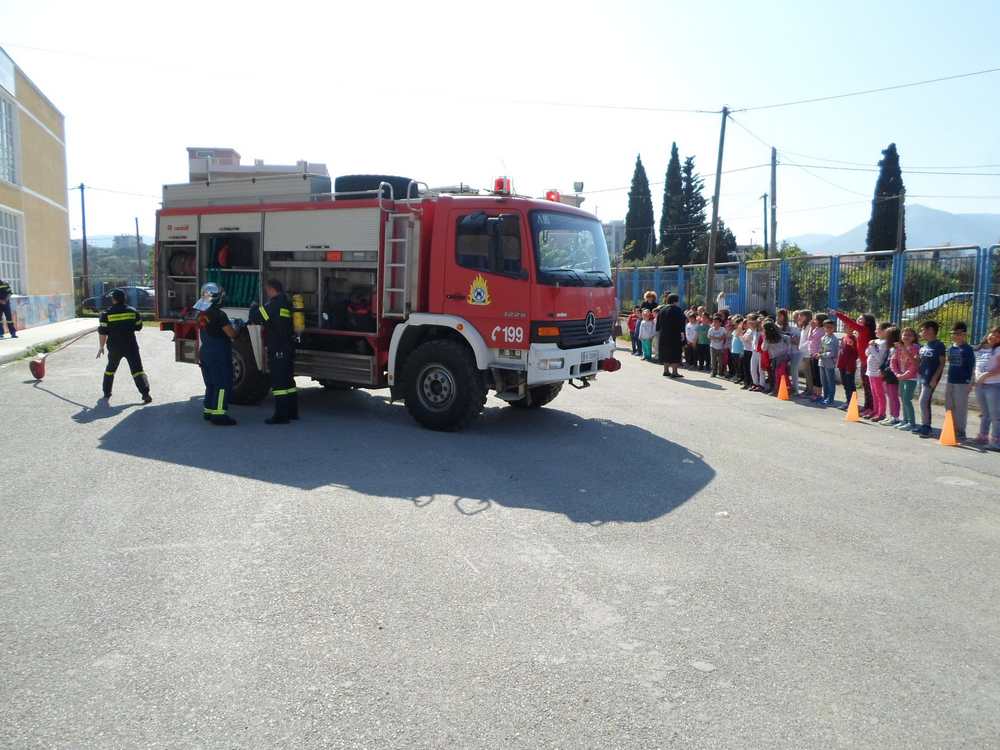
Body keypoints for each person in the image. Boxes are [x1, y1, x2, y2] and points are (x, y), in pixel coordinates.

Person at [251, 278, 299, 425]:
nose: (266, 293)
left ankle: (281, 416)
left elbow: (258, 317)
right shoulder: (286, 302)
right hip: (288, 347)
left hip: (278, 348)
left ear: (272, 290)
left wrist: (254, 307)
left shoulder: (274, 304)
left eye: (267, 290)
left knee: (279, 384)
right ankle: (292, 412)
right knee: (288, 381)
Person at [194, 282, 240, 426]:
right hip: (218, 352)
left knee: (211, 384)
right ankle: (219, 415)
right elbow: (231, 333)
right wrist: (237, 327)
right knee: (223, 384)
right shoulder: (219, 314)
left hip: (205, 351)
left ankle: (208, 411)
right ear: (217, 298)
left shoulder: (200, 313)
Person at [97, 288, 151, 403]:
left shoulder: (106, 314)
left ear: (113, 299)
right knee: (137, 370)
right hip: (131, 346)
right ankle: (145, 394)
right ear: (124, 298)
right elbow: (139, 326)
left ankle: (106, 393)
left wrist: (101, 347)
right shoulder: (132, 312)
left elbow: (102, 332)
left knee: (110, 369)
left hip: (114, 347)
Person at [833, 310, 876, 416]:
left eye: (862, 318)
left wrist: (837, 314)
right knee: (866, 386)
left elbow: (850, 323)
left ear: (867, 322)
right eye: (859, 318)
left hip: (867, 363)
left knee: (869, 387)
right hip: (863, 362)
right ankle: (867, 407)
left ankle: (871, 408)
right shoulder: (860, 332)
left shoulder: (864, 330)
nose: (859, 319)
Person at [915, 320, 946, 437]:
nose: (921, 332)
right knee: (923, 402)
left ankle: (927, 427)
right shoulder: (924, 345)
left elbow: (942, 363)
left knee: (923, 401)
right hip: (922, 376)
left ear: (931, 330)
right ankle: (924, 425)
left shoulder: (939, 345)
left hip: (931, 377)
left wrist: (935, 378)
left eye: (923, 330)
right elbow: (919, 361)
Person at [945, 321, 975, 441]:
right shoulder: (951, 348)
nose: (955, 336)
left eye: (958, 333)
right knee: (949, 405)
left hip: (963, 382)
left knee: (960, 407)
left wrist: (970, 383)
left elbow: (971, 367)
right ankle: (950, 428)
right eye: (953, 333)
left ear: (964, 334)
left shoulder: (968, 349)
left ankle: (961, 431)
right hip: (950, 380)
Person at [973, 327, 1000, 450]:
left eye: (997, 336)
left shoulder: (998, 350)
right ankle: (983, 436)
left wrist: (985, 375)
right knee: (985, 414)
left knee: (995, 415)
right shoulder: (980, 349)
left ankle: (995, 441)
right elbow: (976, 366)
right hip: (980, 385)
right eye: (992, 334)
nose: (993, 337)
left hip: (993, 385)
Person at [891, 327, 920, 430]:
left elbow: (914, 365)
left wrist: (904, 375)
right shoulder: (899, 348)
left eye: (909, 335)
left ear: (913, 337)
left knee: (907, 399)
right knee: (903, 399)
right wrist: (897, 374)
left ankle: (911, 423)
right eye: (904, 334)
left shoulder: (915, 348)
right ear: (901, 336)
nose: (906, 337)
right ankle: (905, 420)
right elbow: (893, 362)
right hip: (901, 377)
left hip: (911, 378)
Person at [656, 293, 687, 378]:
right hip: (674, 335)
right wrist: (683, 336)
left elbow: (657, 325)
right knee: (675, 353)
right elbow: (682, 324)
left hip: (663, 335)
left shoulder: (661, 310)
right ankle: (674, 372)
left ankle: (666, 370)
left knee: (665, 352)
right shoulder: (678, 310)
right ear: (675, 301)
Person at [879, 326, 902, 426]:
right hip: (887, 375)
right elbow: (885, 360)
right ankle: (891, 415)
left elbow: (894, 363)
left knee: (893, 396)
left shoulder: (896, 348)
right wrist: (881, 369)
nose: (885, 337)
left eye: (887, 335)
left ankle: (895, 417)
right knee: (890, 396)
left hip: (892, 376)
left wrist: (886, 370)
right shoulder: (890, 348)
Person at [864, 327, 888, 421]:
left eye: (878, 329)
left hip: (877, 372)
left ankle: (881, 413)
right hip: (870, 370)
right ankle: (875, 410)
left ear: (885, 331)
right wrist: (870, 346)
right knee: (874, 393)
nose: (875, 331)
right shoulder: (876, 341)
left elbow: (880, 358)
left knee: (879, 393)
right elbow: (867, 353)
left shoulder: (884, 343)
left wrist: (872, 347)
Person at [762, 321, 791, 396]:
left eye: (764, 329)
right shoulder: (781, 336)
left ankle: (777, 390)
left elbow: (763, 348)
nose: (763, 331)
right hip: (783, 357)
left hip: (777, 359)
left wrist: (764, 339)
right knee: (781, 374)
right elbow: (788, 340)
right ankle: (786, 388)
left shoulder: (768, 339)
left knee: (778, 375)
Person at [817, 317, 840, 405]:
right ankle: (825, 397)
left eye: (830, 327)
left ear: (834, 328)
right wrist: (818, 353)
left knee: (830, 381)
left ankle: (830, 399)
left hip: (829, 363)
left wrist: (821, 355)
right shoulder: (823, 338)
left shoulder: (834, 339)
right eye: (826, 327)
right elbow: (821, 348)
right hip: (822, 362)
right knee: (824, 381)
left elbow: (832, 353)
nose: (828, 329)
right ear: (824, 328)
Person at [837, 328, 858, 410]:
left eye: (848, 326)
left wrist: (853, 346)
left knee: (850, 385)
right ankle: (848, 401)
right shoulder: (844, 337)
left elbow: (856, 353)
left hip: (850, 365)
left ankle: (853, 403)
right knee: (845, 384)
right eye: (845, 326)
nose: (846, 328)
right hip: (842, 364)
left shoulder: (855, 339)